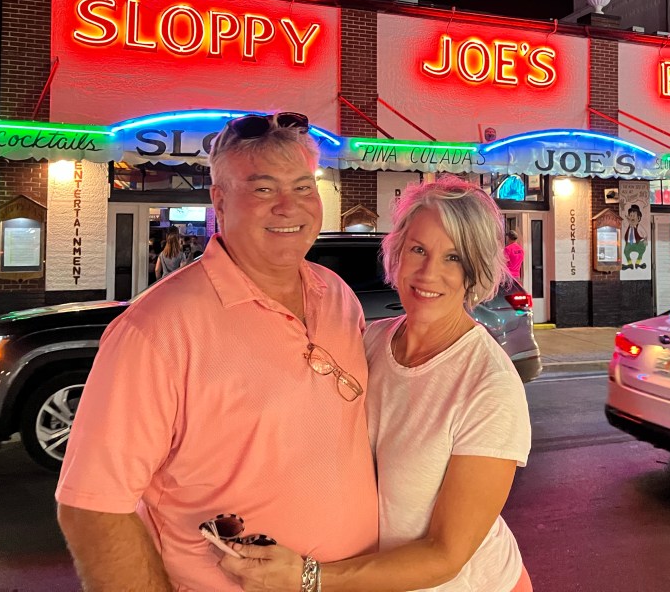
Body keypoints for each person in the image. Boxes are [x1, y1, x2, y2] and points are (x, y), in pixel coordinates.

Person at [55, 112, 379, 591]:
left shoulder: (337, 296)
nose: (289, 206)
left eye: (303, 186)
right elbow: (92, 506)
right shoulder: (155, 328)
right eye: (264, 189)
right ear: (220, 200)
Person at [221, 175, 532, 592]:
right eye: (418, 250)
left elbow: (445, 556)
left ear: (475, 270)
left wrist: (306, 578)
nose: (429, 273)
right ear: (397, 253)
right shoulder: (369, 341)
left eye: (453, 257)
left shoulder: (489, 385)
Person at [621, 204, 647, 270]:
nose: (632, 218)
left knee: (642, 249)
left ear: (638, 218)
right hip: (629, 244)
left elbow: (645, 234)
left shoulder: (639, 227)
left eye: (634, 216)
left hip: (638, 244)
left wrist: (645, 240)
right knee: (626, 252)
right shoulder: (627, 225)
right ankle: (630, 264)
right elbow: (623, 219)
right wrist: (622, 208)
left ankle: (637, 263)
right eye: (630, 216)